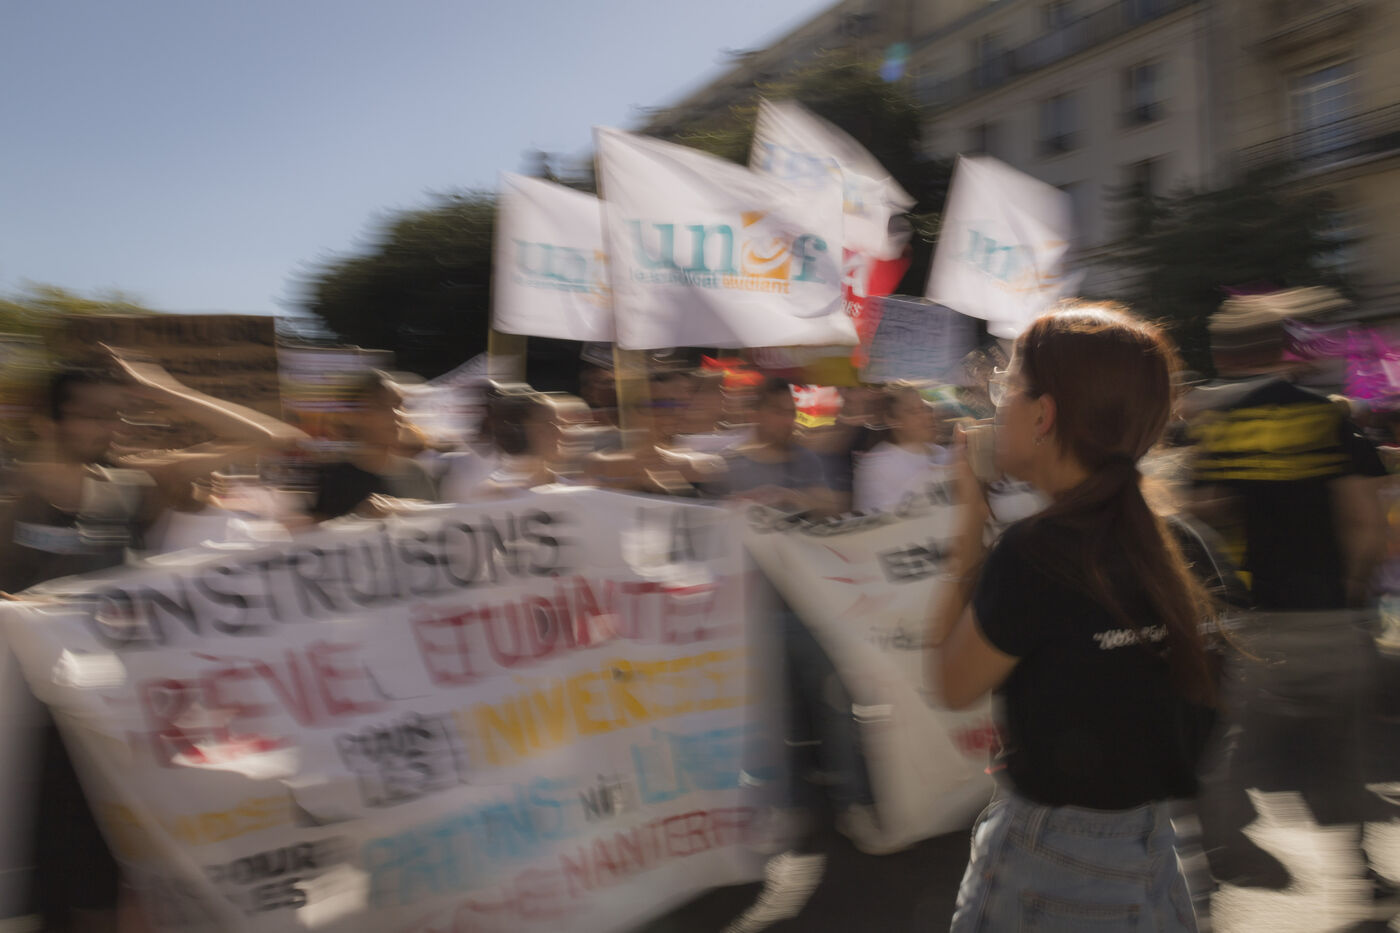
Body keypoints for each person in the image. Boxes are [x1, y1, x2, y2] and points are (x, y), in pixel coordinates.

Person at [930, 305, 1215, 932]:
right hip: (1156, 851)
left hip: (1049, 864)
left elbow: (950, 684)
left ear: (1044, 414)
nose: (994, 407)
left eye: (1006, 387)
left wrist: (968, 520)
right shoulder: (1182, 546)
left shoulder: (1035, 554)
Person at [0, 355, 306, 932]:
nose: (111, 429)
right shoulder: (13, 494)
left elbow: (270, 437)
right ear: (48, 421)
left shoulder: (131, 485)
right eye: (94, 416)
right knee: (49, 882)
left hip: (108, 724)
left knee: (107, 880)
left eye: (116, 416)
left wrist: (162, 388)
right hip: (29, 728)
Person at [308, 371, 437, 520]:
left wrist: (406, 508)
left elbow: (439, 522)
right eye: (382, 406)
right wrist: (358, 517)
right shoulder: (336, 478)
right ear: (358, 415)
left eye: (398, 405)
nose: (396, 415)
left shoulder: (416, 473)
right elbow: (320, 531)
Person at [853, 383, 953, 513]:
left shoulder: (942, 454)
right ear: (893, 420)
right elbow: (878, 520)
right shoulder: (877, 466)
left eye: (924, 409)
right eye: (913, 412)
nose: (926, 416)